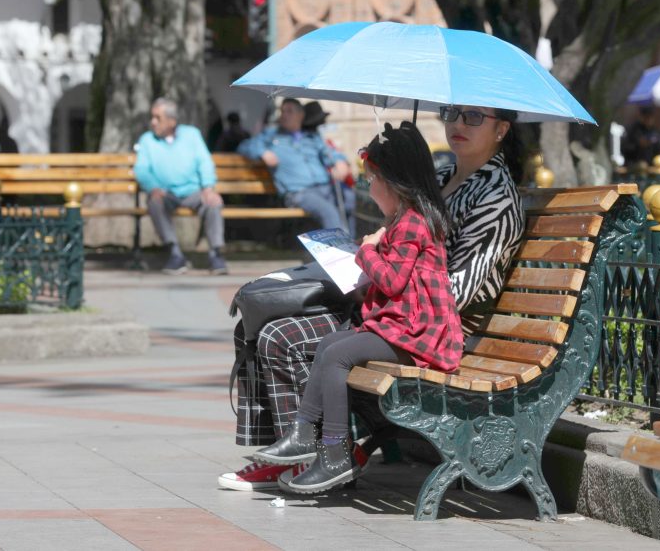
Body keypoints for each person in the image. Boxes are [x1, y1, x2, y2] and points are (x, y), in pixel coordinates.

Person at [218, 104, 525, 491]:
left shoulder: (495, 199)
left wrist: (374, 267)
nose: (457, 123)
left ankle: (322, 453)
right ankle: (294, 447)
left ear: (502, 130)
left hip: (431, 326)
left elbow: (455, 292)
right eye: (451, 112)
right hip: (394, 309)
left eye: (474, 117)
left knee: (286, 338)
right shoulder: (440, 176)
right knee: (260, 322)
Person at [250, 122, 461, 493]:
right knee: (333, 344)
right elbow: (398, 282)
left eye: (370, 181)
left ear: (392, 182)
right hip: (406, 327)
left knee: (337, 355)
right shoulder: (404, 220)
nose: (368, 188)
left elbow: (393, 281)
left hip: (420, 336)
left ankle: (334, 454)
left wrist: (365, 252)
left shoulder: (413, 223)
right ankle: (304, 432)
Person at [134, 98, 228, 275]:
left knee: (214, 202)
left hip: (193, 191)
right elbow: (142, 169)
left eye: (157, 118)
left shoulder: (191, 135)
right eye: (152, 117)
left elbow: (204, 162)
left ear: (172, 121)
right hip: (165, 193)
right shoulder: (147, 140)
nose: (153, 122)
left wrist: (208, 188)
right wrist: (153, 187)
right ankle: (174, 253)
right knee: (154, 202)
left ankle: (216, 254)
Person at [237, 98, 354, 233]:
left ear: (301, 115)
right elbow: (244, 146)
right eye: (282, 111)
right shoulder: (272, 135)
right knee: (329, 211)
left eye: (289, 111)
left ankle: (349, 244)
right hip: (299, 192)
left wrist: (340, 162)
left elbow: (330, 153)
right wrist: (262, 152)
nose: (284, 115)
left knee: (349, 197)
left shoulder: (312, 137)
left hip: (325, 187)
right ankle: (340, 251)